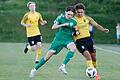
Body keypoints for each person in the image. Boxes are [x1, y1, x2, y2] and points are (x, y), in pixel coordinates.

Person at [29, 6, 79, 78]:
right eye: (68, 14)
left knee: (73, 48)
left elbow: (75, 31)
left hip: (68, 39)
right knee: (47, 58)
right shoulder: (60, 18)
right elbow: (53, 27)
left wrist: (76, 32)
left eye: (71, 15)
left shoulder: (74, 21)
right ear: (65, 12)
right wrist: (63, 25)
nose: (70, 16)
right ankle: (34, 70)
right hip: (58, 40)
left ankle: (63, 66)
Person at [73, 3, 109, 80]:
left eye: (81, 12)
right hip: (79, 41)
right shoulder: (73, 20)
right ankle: (94, 75)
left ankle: (94, 72)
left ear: (84, 11)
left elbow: (96, 25)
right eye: (78, 12)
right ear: (75, 11)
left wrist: (103, 29)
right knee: (87, 56)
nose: (80, 13)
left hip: (89, 40)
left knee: (94, 58)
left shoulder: (88, 18)